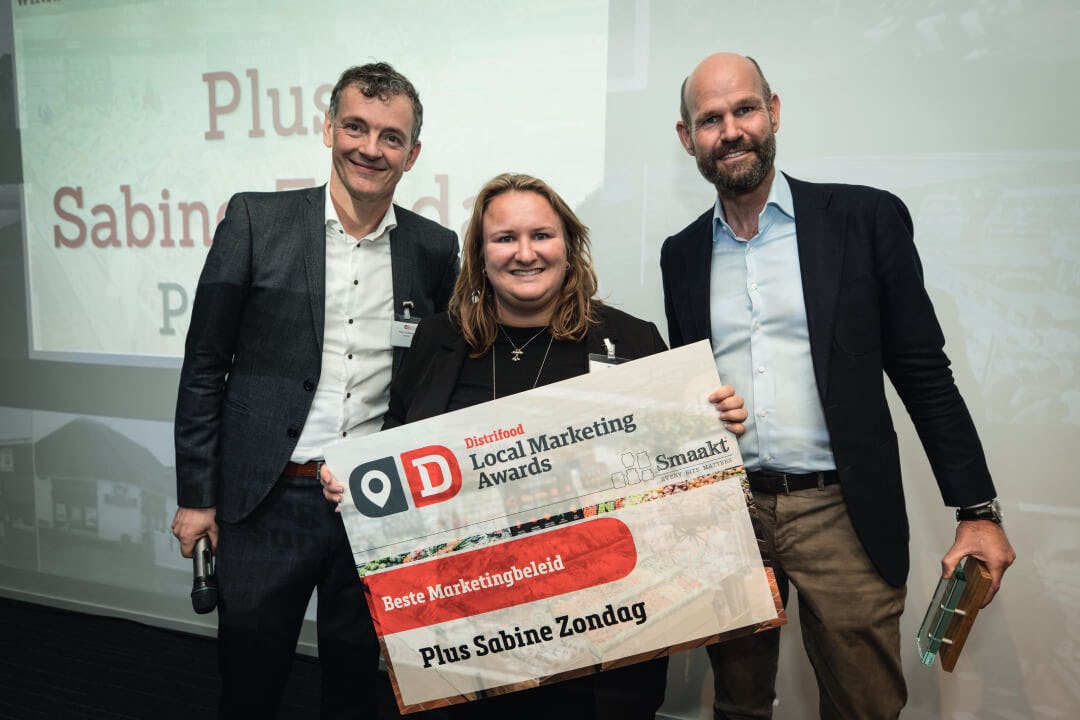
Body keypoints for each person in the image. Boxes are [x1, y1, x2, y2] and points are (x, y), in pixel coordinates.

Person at [661, 53, 1016, 719]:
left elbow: (924, 373)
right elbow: (690, 386)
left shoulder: (864, 218)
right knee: (737, 706)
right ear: (687, 137)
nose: (731, 131)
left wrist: (978, 511)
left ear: (773, 111)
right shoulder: (680, 252)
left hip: (841, 513)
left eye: (745, 109)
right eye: (710, 119)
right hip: (730, 517)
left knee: (863, 707)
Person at [322, 172, 749, 719]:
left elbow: (678, 479)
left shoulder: (633, 340)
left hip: (602, 635)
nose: (525, 253)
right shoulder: (437, 339)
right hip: (467, 641)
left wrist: (711, 424)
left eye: (541, 235)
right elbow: (397, 448)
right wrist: (356, 484)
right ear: (481, 255)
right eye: (505, 238)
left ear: (569, 247)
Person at [171, 62, 460, 718]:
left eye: (391, 137)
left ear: (413, 154)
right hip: (265, 499)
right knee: (250, 684)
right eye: (355, 127)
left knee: (357, 687)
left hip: (372, 503)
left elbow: (434, 379)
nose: (370, 148)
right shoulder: (255, 220)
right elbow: (205, 364)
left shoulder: (434, 249)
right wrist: (196, 496)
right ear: (328, 128)